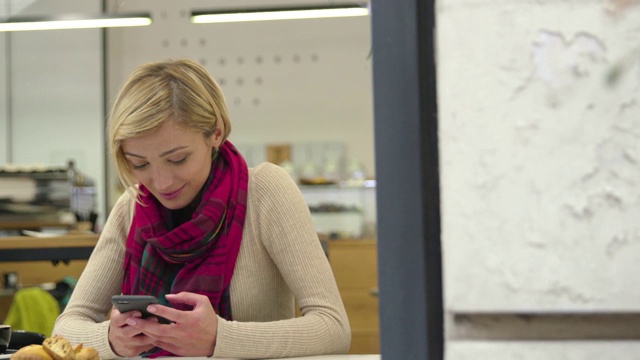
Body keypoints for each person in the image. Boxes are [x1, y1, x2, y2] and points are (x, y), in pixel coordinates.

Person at [52, 58, 351, 359]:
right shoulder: (132, 206)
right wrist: (112, 339)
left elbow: (333, 328)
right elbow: (66, 328)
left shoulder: (266, 192)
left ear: (216, 133)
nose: (162, 182)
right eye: (140, 164)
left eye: (178, 159)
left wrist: (220, 338)